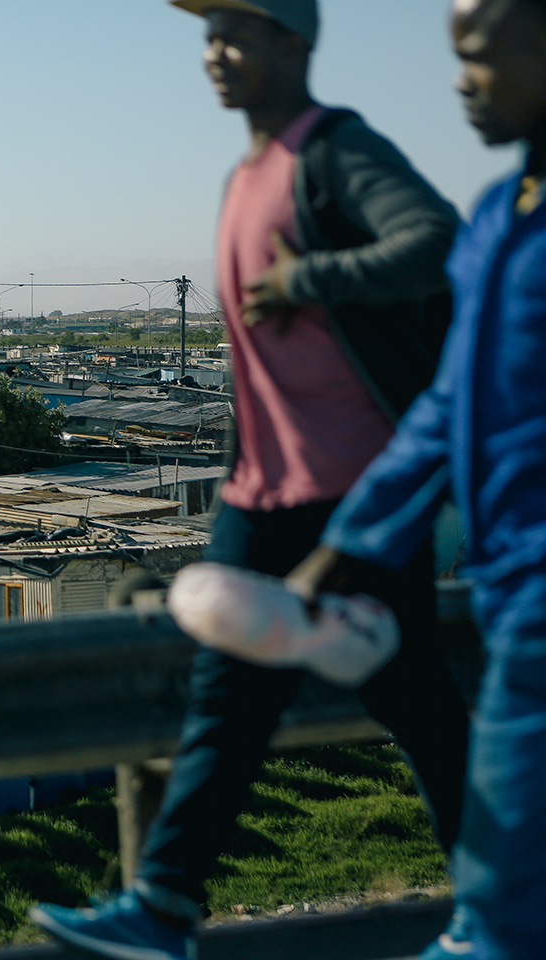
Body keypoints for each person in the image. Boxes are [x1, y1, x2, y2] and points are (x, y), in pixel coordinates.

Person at [29, 3, 471, 959]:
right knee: (228, 700)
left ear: (293, 41)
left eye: (235, 32)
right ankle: (163, 906)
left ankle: (500, 908)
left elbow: (436, 238)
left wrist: (313, 279)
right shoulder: (242, 177)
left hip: (352, 495)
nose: (214, 54)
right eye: (207, 35)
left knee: (417, 708)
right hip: (259, 494)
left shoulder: (335, 151)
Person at [286, 1, 546, 956]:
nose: (459, 82)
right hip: (510, 591)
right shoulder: (497, 219)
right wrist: (351, 544)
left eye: (477, 56)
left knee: (496, 910)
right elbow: (446, 408)